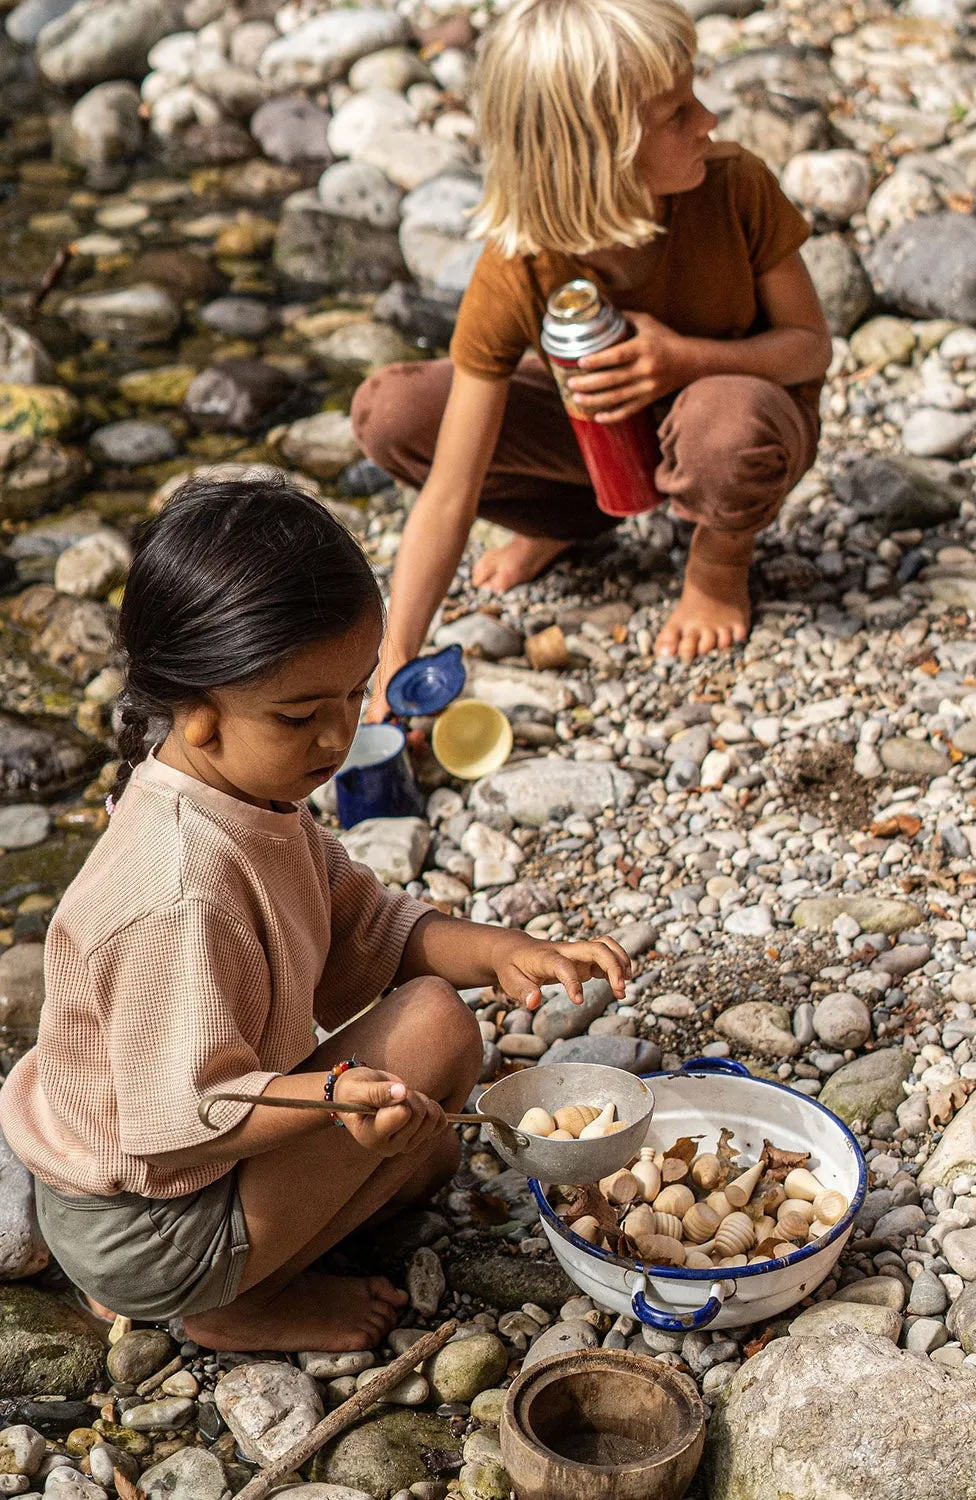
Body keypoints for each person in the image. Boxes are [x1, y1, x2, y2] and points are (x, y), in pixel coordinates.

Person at [0, 476, 630, 1352]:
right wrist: (335, 1099)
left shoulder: (247, 789)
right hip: (146, 1216)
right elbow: (178, 1122)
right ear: (199, 715)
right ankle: (227, 1306)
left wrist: (504, 951)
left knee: (433, 1142)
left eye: (354, 694)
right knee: (431, 1044)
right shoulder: (179, 890)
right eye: (302, 715)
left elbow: (361, 929)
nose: (340, 737)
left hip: (179, 1158)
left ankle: (260, 1248)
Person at [352, 0, 832, 711]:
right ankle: (566, 523)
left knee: (726, 430)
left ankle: (718, 563)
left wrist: (684, 360)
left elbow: (810, 347)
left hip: (738, 416)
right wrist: (394, 659)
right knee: (392, 412)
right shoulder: (520, 262)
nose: (710, 121)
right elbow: (451, 488)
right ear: (598, 151)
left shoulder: (733, 187)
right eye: (677, 114)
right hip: (606, 438)